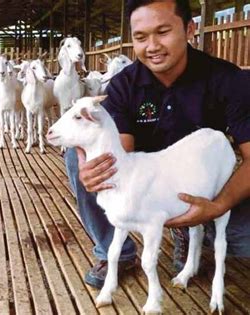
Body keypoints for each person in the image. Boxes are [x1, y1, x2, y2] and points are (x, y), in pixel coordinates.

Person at [65, 0, 250, 289]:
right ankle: (116, 252)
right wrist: (95, 174)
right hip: (148, 179)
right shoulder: (123, 86)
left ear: (189, 29)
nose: (152, 46)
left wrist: (218, 205)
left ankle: (190, 231)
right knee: (80, 159)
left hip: (201, 180)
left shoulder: (228, 80)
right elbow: (120, 157)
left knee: (244, 238)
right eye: (140, 37)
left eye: (163, 32)